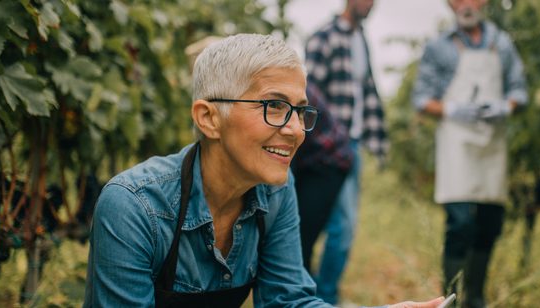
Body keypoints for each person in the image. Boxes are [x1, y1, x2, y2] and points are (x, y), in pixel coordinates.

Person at [84, 33, 444, 308]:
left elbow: (288, 301)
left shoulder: (276, 189)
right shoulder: (133, 207)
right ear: (209, 118)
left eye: (301, 111)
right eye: (274, 105)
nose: (296, 129)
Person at [412, 0, 528, 307]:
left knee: (490, 221)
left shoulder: (501, 43)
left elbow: (519, 90)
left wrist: (506, 106)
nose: (465, 4)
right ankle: (450, 297)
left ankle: (475, 297)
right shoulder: (439, 47)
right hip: (457, 143)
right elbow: (422, 98)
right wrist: (453, 109)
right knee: (460, 222)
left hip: (492, 143)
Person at [304, 0, 389, 304]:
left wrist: (378, 142)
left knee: (341, 228)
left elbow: (367, 94)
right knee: (334, 226)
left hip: (352, 147)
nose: (371, 4)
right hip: (326, 153)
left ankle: (321, 293)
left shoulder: (361, 40)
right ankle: (321, 296)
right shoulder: (323, 37)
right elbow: (308, 96)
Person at [292, 82, 354, 273]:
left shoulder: (294, 88)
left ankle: (304, 295)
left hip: (329, 161)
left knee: (301, 238)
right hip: (307, 160)